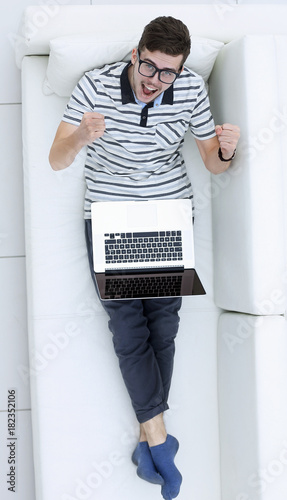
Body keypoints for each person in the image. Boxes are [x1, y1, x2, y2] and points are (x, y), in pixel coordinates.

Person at [49, 16, 240, 500]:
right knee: (128, 327)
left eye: (167, 73)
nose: (155, 82)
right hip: (110, 216)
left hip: (168, 212)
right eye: (148, 68)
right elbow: (57, 158)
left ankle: (148, 438)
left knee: (164, 326)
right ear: (135, 55)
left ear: (180, 70)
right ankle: (158, 436)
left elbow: (211, 163)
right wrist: (81, 137)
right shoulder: (93, 86)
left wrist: (228, 151)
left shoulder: (191, 89)